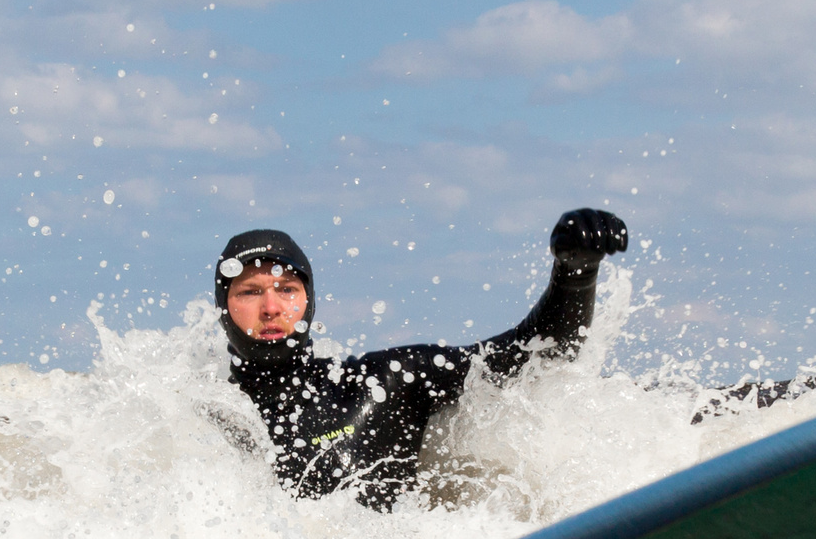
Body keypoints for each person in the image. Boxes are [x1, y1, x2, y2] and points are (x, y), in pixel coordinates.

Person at [214, 208, 629, 509]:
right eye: (250, 291)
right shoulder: (200, 417)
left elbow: (535, 357)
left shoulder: (384, 384)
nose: (271, 307)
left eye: (287, 288)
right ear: (223, 306)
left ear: (309, 300)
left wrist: (576, 274)